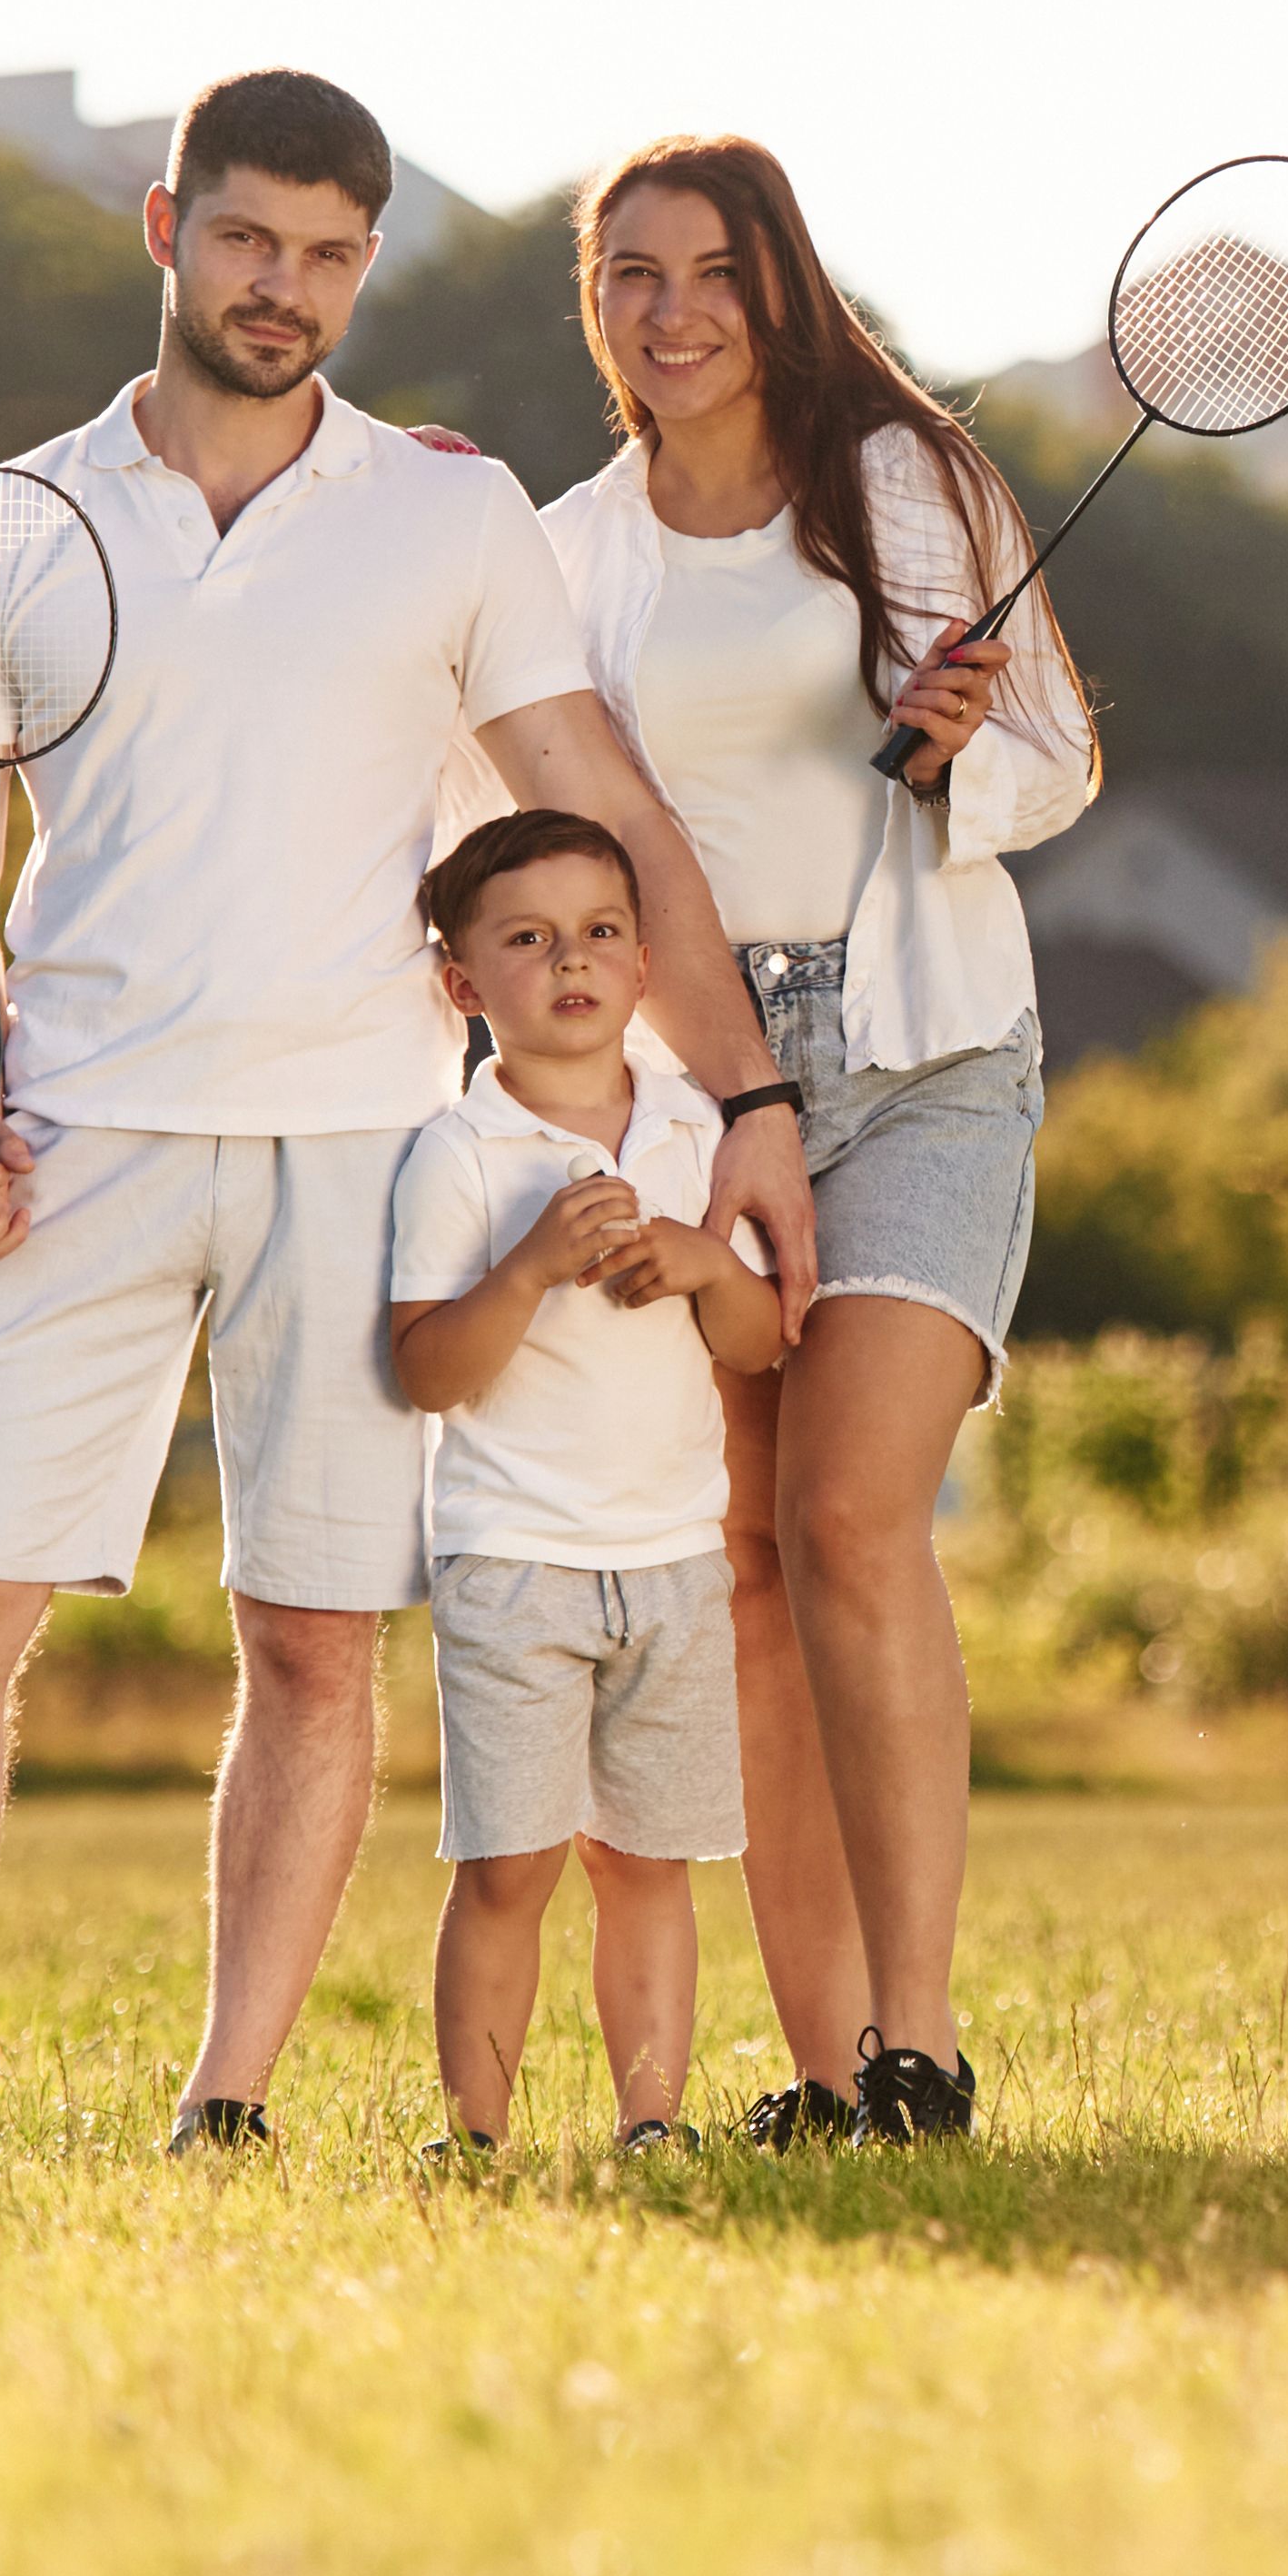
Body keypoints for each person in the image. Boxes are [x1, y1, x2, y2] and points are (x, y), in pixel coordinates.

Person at [0, 71, 815, 2184]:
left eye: (334, 255)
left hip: (360, 1149)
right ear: (168, 229)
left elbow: (602, 803)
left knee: (315, 1640)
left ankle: (225, 2104)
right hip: (77, 1143)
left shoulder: (446, 512)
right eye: (252, 242)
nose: (290, 290)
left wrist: (754, 1095)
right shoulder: (5, 524)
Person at [537, 134, 1088, 2148]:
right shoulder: (566, 548)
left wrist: (960, 758)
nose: (667, 313)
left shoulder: (909, 485)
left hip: (929, 1052)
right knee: (753, 1570)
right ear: (591, 305)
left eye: (706, 272)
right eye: (627, 276)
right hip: (700, 1080)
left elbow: (1057, 753)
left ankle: (923, 2044)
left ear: (778, 287)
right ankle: (831, 2064)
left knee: (856, 1523)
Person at [387, 809, 783, 2159]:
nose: (572, 961)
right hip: (513, 1563)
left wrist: (711, 1265)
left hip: (674, 1560)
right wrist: (528, 1266)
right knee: (508, 1864)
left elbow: (760, 1343)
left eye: (601, 933)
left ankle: (653, 2126)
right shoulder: (458, 1155)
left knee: (649, 1865)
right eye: (528, 939)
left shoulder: (688, 1128)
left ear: (644, 959)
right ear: (462, 983)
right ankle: (476, 2136)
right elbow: (429, 1373)